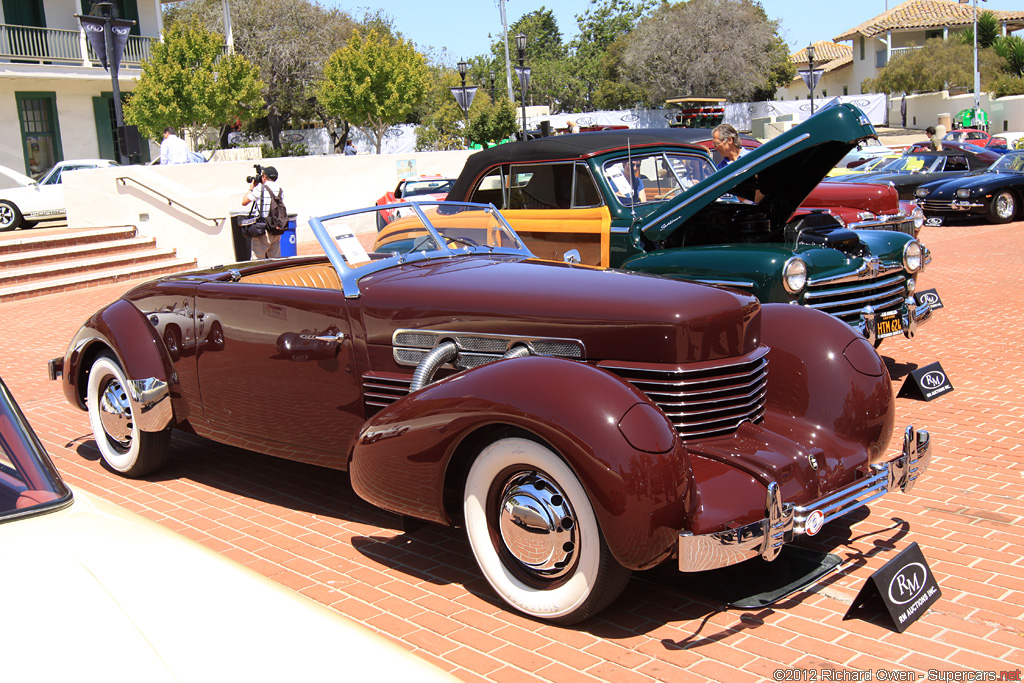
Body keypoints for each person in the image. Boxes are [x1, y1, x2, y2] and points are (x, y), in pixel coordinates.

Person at [241, 166, 284, 259]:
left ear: (264, 176)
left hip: (262, 229)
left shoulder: (260, 189)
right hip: (276, 228)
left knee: (257, 260)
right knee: (275, 260)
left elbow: (244, 202)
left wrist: (251, 188)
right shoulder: (280, 190)